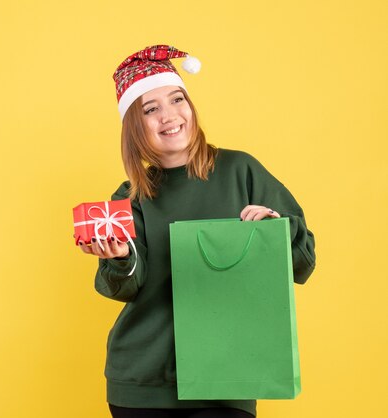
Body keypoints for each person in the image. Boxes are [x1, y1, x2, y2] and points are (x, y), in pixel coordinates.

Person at [75, 45, 316, 418]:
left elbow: (302, 263)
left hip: (227, 373)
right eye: (150, 109)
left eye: (177, 99)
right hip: (142, 382)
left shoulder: (242, 171)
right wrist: (121, 258)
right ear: (133, 128)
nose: (169, 116)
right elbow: (125, 287)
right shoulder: (131, 197)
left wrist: (271, 234)